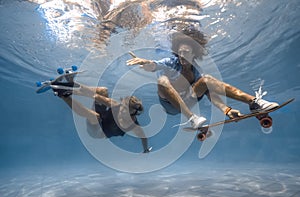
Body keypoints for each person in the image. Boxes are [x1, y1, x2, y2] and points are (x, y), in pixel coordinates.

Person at [126, 27, 279, 129]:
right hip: (170, 106)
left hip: (188, 99)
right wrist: (145, 63)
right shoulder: (170, 62)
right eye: (180, 52)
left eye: (186, 52)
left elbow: (210, 94)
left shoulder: (196, 72)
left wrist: (227, 110)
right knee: (162, 80)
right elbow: (155, 65)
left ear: (194, 54)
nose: (182, 56)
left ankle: (254, 102)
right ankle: (192, 118)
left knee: (207, 80)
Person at [51, 81, 151, 153]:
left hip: (97, 133)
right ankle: (70, 86)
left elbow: (144, 138)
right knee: (103, 91)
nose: (121, 110)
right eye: (122, 106)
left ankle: (62, 95)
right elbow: (93, 95)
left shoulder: (134, 126)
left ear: (132, 114)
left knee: (94, 116)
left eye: (125, 110)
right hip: (102, 117)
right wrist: (73, 88)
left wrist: (145, 150)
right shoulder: (116, 105)